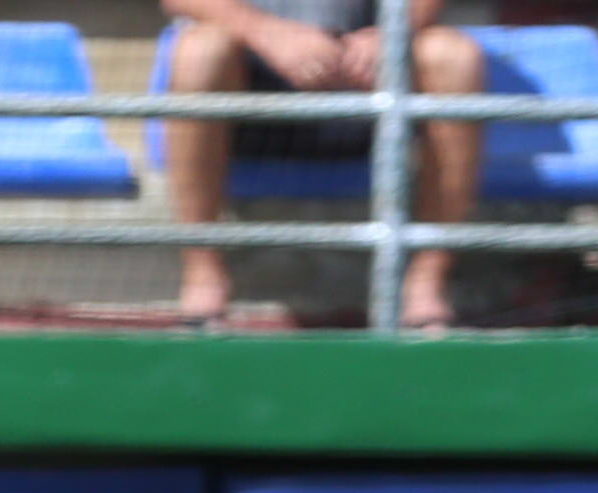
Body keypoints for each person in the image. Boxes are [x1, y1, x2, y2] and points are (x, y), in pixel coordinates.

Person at [161, 0, 485, 331]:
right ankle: (202, 278)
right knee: (200, 49)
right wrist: (267, 33)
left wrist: (390, 35)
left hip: (373, 93)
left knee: (451, 55)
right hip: (251, 100)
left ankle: (425, 284)